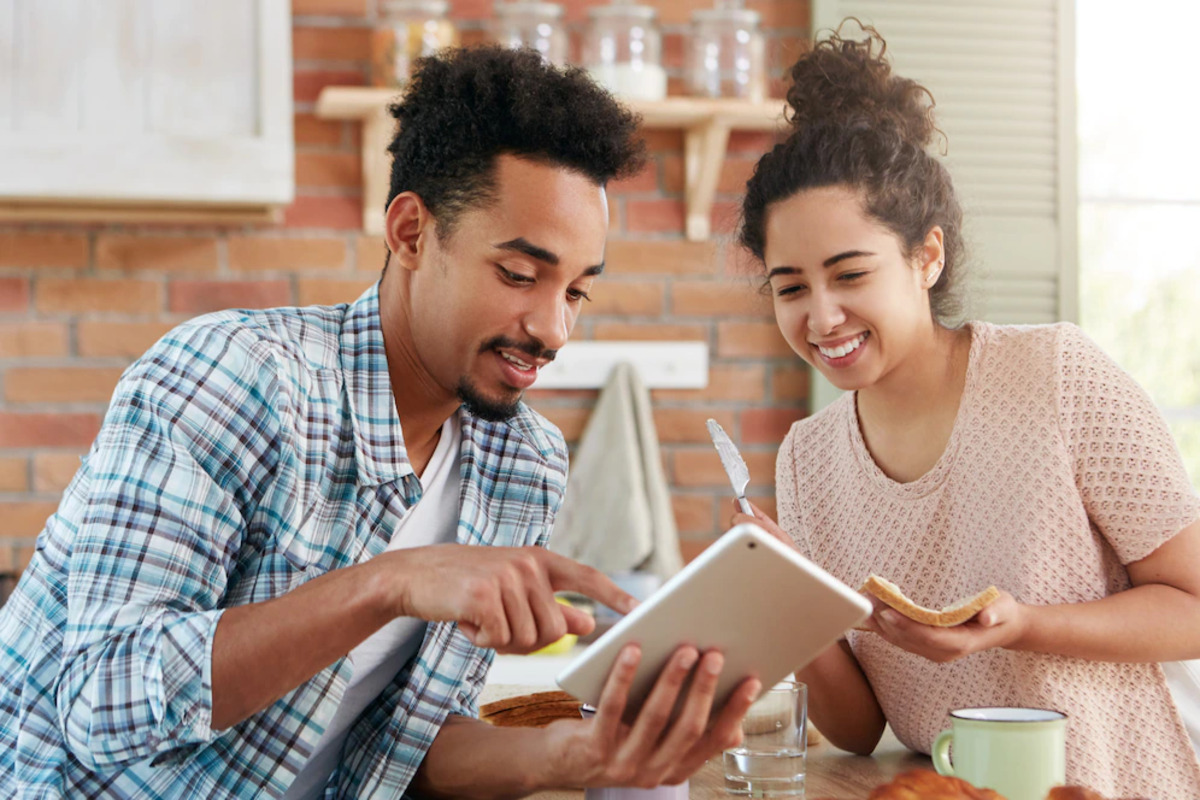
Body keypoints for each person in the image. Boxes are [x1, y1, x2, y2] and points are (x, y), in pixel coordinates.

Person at [0, 47, 758, 799]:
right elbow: (101, 701)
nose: (554, 329)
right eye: (520, 275)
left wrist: (566, 756)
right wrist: (390, 583)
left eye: (576, 292)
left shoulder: (523, 464)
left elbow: (404, 747)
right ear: (411, 233)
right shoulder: (236, 376)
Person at [728, 27, 1200, 798]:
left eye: (850, 275)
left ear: (928, 257)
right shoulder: (807, 459)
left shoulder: (1054, 375)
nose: (822, 316)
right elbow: (859, 726)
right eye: (791, 288)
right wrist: (784, 592)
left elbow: (1194, 606)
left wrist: (1027, 627)